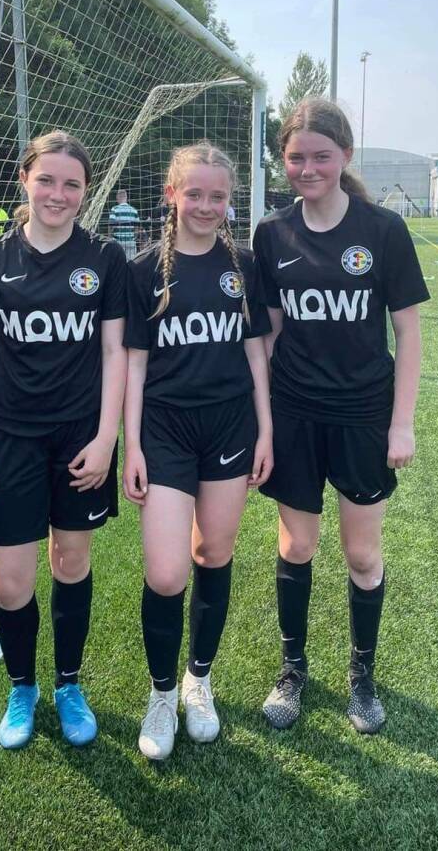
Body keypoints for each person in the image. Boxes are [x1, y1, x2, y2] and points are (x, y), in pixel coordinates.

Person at [252, 97, 429, 735]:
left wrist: (401, 423)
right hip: (296, 413)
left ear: (345, 156)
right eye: (296, 158)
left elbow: (408, 334)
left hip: (363, 415)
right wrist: (262, 422)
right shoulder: (272, 234)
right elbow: (268, 336)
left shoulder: (383, 231)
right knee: (297, 545)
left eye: (321, 157)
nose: (308, 169)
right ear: (283, 160)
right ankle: (292, 670)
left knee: (361, 554)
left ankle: (362, 678)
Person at [0, 131, 127, 750]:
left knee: (71, 561)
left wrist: (106, 437)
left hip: (80, 438)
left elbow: (114, 354)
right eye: (47, 180)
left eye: (72, 184)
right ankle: (22, 687)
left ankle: (67, 684)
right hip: (11, 439)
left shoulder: (104, 258)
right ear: (24, 181)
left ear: (86, 191)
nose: (58, 194)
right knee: (12, 580)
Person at [123, 142, 273, 760]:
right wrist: (130, 446)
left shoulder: (245, 266)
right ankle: (162, 695)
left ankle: (198, 680)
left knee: (213, 553)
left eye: (218, 196)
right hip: (165, 431)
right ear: (172, 195)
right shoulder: (143, 271)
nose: (206, 206)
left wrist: (266, 432)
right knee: (166, 572)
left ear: (229, 200)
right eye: (195, 194)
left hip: (230, 428)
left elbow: (256, 354)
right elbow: (133, 365)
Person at [109, 188, 141, 260]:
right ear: (126, 197)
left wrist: (110, 237)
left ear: (118, 197)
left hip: (118, 242)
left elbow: (111, 225)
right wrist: (134, 238)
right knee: (131, 262)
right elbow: (137, 227)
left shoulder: (114, 209)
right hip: (130, 242)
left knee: (117, 263)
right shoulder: (134, 210)